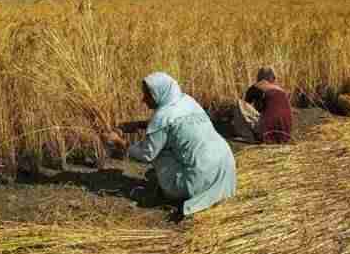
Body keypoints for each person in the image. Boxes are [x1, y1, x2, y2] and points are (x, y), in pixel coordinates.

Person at [102, 72, 237, 220]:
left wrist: (118, 142)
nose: (143, 100)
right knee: (170, 145)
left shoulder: (162, 118)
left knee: (160, 152)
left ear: (160, 93)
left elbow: (147, 154)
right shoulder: (187, 101)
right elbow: (176, 124)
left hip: (201, 179)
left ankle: (174, 192)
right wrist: (139, 124)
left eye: (148, 95)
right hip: (226, 167)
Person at [232, 66, 292, 144]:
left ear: (259, 76)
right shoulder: (281, 90)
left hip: (266, 132)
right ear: (273, 77)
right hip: (286, 134)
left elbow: (246, 106)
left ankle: (247, 136)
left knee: (239, 104)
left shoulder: (255, 87)